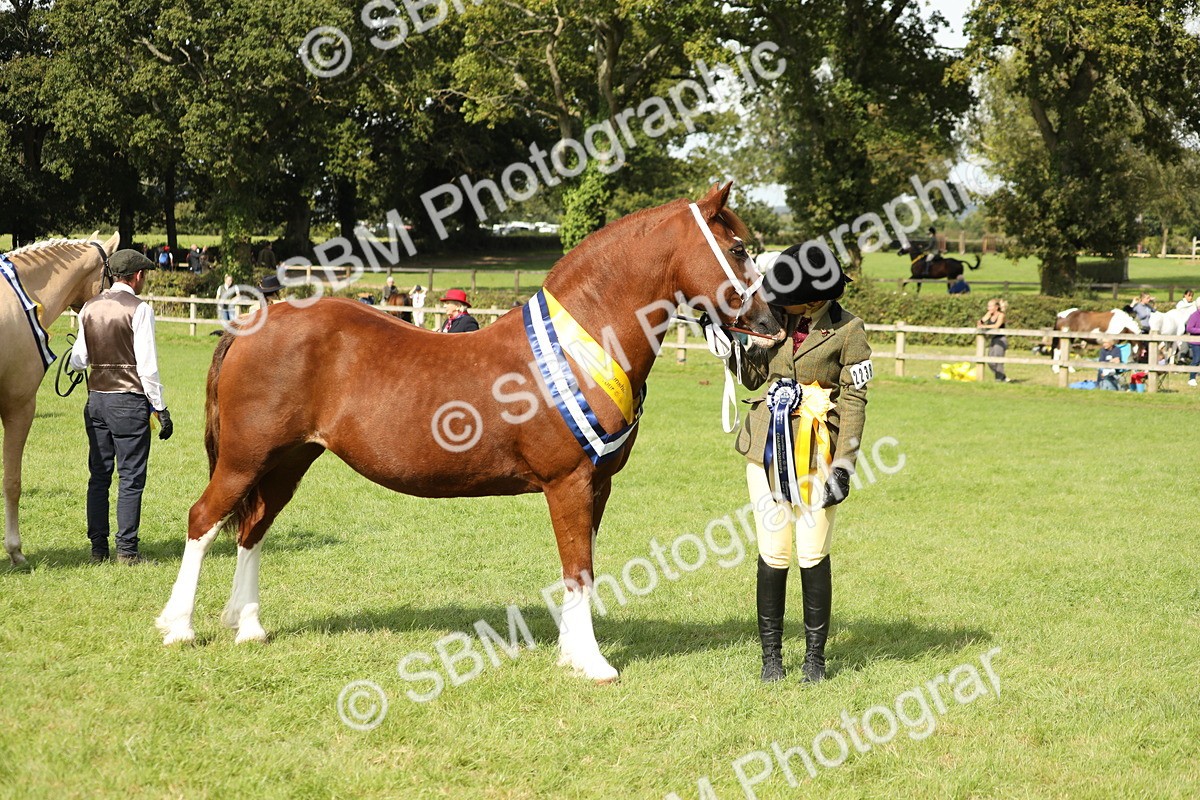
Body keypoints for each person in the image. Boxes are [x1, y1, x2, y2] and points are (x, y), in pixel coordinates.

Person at [729, 242, 871, 684]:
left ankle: (815, 658)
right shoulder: (772, 318)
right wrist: (733, 345)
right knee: (773, 551)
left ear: (813, 299)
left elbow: (855, 400)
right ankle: (771, 657)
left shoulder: (850, 331)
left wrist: (844, 465)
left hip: (818, 453)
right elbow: (752, 377)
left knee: (812, 552)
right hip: (764, 449)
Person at [69, 250, 174, 564]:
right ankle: (127, 552)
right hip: (128, 402)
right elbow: (147, 368)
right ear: (137, 276)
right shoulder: (139, 310)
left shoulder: (88, 308)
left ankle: (98, 550)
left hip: (96, 401)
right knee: (130, 478)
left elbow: (78, 361)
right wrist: (161, 408)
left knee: (98, 476)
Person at [977, 298, 1010, 382]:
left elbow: (996, 326)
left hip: (1000, 339)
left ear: (996, 307)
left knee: (998, 360)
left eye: (990, 306)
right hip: (993, 339)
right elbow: (981, 321)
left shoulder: (1001, 315)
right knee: (990, 361)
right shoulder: (989, 314)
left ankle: (999, 379)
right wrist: (981, 321)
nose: (988, 308)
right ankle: (1003, 377)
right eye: (988, 306)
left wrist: (984, 327)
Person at [1186, 305, 1200, 387]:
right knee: (1196, 360)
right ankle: (1192, 378)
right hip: (1196, 343)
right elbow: (1189, 328)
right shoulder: (1194, 316)